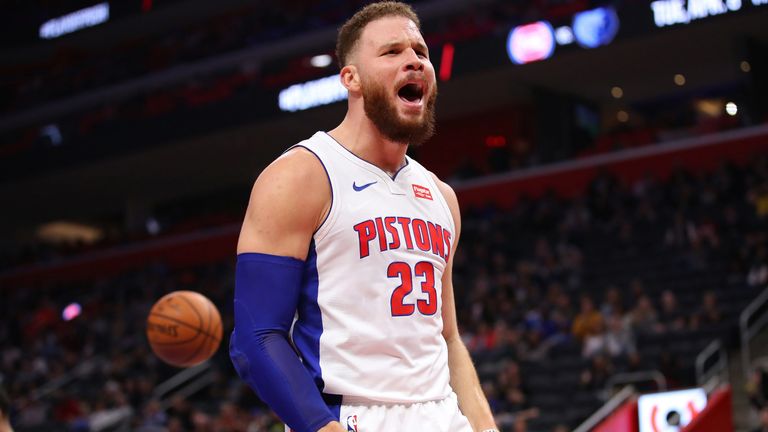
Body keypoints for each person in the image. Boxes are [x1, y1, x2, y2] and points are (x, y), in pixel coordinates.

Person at [228, 2, 498, 432]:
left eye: (421, 52)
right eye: (392, 52)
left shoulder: (442, 197)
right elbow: (257, 337)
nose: (414, 60)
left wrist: (485, 428)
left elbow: (447, 338)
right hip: (349, 415)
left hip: (442, 413)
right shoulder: (302, 175)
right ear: (350, 78)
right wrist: (320, 426)